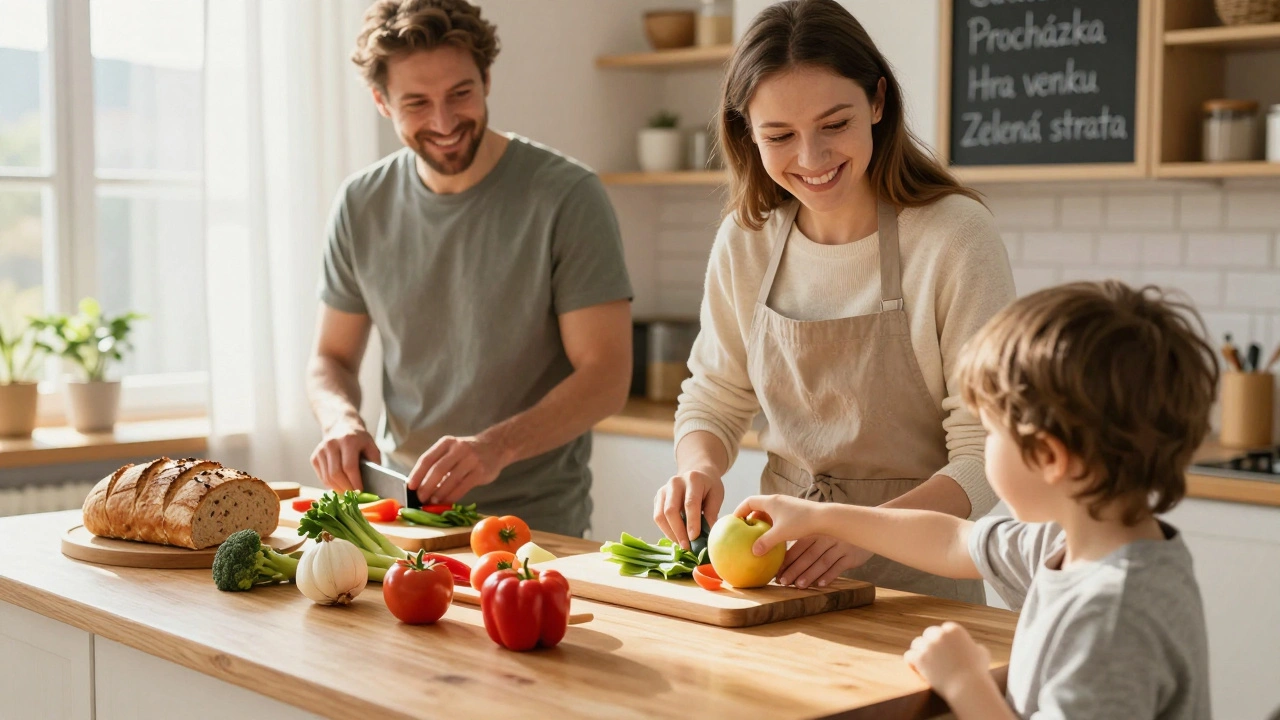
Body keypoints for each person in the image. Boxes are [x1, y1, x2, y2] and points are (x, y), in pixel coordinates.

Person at [654, 0, 1014, 601]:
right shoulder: (747, 239)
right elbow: (715, 394)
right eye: (780, 136)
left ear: (877, 102)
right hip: (778, 577)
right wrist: (698, 468)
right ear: (747, 133)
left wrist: (860, 530)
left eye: (834, 124)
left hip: (921, 587)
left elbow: (986, 452)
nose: (812, 158)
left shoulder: (954, 237)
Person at [738, 281, 1216, 719]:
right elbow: (950, 541)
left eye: (991, 432)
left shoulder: (1112, 615)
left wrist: (966, 682)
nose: (984, 447)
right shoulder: (1067, 545)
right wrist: (818, 515)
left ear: (1049, 457)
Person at [306, 0, 633, 537]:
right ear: (382, 102)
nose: (444, 122)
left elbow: (606, 376)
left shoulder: (568, 196)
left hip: (531, 525)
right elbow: (330, 359)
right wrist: (340, 419)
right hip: (399, 514)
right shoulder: (361, 204)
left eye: (460, 93)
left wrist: (494, 447)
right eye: (417, 102)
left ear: (486, 80)